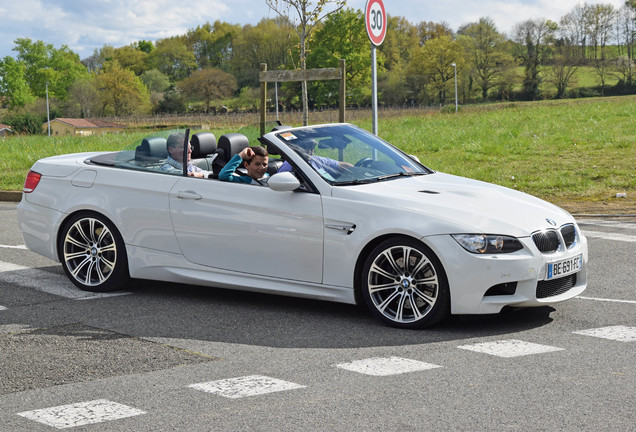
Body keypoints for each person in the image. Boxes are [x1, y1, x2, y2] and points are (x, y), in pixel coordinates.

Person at [277, 139, 352, 179]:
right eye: (306, 146)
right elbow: (279, 184)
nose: (310, 150)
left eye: (312, 146)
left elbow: (342, 166)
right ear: (297, 148)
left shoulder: (317, 160)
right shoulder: (289, 165)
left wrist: (357, 170)